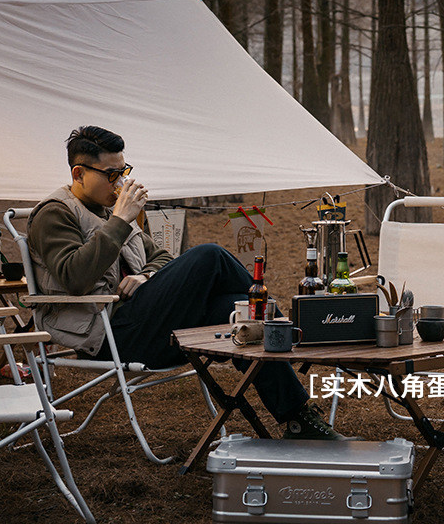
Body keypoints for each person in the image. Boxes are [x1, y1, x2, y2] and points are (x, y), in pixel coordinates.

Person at [28, 125, 343, 440]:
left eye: (123, 171)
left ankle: (297, 419)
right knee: (209, 257)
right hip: (107, 335)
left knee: (238, 309)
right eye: (111, 174)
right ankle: (289, 325)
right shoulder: (55, 214)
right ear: (79, 173)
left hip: (145, 322)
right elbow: (74, 277)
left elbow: (162, 258)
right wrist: (121, 221)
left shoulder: (110, 210)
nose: (121, 182)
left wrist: (146, 275)